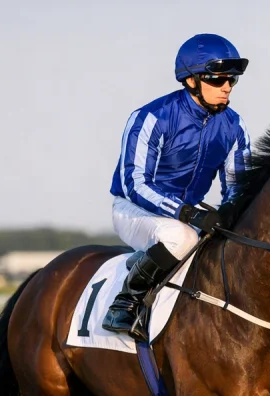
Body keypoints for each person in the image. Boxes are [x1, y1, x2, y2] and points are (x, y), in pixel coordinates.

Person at [102, 33, 252, 340]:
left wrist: (227, 213)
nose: (227, 87)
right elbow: (134, 183)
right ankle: (125, 302)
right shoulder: (151, 117)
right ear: (192, 80)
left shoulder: (234, 126)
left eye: (232, 80)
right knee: (180, 236)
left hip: (187, 213)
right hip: (135, 209)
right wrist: (186, 213)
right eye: (218, 79)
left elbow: (239, 185)